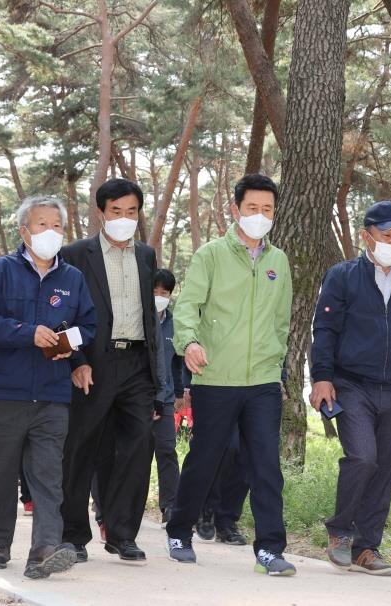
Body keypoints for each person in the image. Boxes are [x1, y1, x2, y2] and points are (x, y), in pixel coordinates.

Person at [165, 173, 296, 576]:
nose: (260, 215)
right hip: (214, 377)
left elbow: (281, 322)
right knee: (205, 458)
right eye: (253, 207)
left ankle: (270, 549)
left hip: (261, 382)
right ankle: (179, 530)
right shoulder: (210, 255)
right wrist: (187, 343)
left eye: (268, 209)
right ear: (236, 209)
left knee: (265, 465)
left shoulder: (278, 261)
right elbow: (187, 307)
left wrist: (275, 366)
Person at [0, 195, 97, 580]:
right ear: (24, 231)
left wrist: (68, 348)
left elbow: (87, 326)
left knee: (47, 476)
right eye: (42, 225)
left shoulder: (72, 279)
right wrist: (27, 333)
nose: (51, 232)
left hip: (53, 396)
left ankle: (43, 550)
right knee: (0, 475)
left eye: (57, 225)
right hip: (3, 394)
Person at [309, 200, 391, 576]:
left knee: (384, 468)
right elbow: (325, 330)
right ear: (367, 236)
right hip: (351, 384)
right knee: (363, 458)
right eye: (387, 235)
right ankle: (339, 533)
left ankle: (368, 548)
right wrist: (322, 376)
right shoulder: (342, 276)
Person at [59, 177, 167, 563]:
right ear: (101, 212)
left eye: (132, 212)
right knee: (81, 449)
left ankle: (122, 534)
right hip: (93, 364)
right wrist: (76, 361)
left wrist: (157, 379)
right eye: (116, 211)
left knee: (137, 448)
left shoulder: (146, 255)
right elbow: (63, 314)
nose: (124, 218)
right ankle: (72, 535)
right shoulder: (75, 254)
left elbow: (150, 320)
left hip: (136, 365)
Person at [151, 268, 185, 527]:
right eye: (155, 291)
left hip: (166, 399)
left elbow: (178, 362)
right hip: (137, 398)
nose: (160, 296)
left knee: (167, 449)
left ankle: (170, 506)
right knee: (134, 454)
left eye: (165, 292)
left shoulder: (176, 324)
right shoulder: (137, 320)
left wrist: (181, 392)